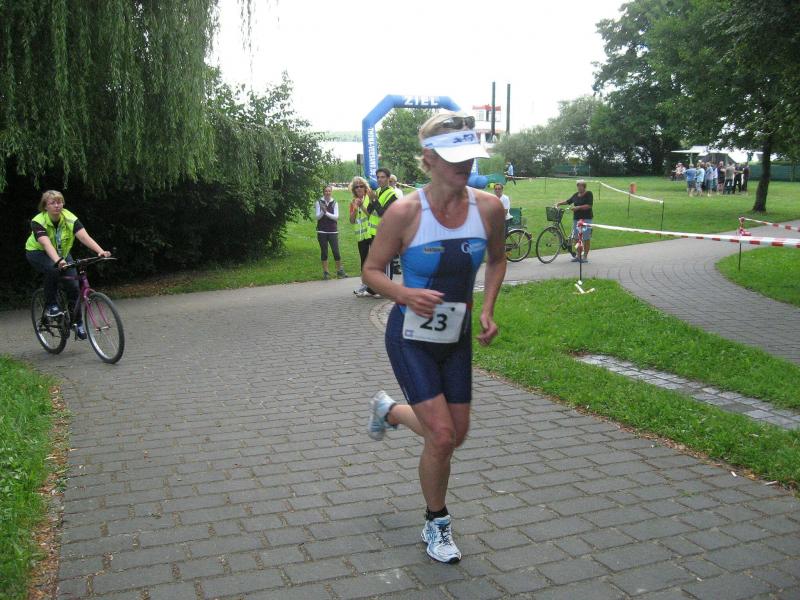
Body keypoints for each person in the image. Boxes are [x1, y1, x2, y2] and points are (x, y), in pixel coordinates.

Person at [363, 111, 506, 564]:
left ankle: (389, 411)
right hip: (411, 337)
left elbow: (498, 259)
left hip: (456, 335)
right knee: (441, 437)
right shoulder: (405, 213)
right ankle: (436, 523)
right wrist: (404, 293)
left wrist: (487, 308)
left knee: (455, 434)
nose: (466, 166)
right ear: (429, 159)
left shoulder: (489, 208)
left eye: (470, 157)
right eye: (454, 158)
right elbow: (371, 271)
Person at [25, 190, 111, 339]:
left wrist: (100, 251)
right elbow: (46, 244)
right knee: (52, 269)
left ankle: (77, 323)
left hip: (62, 254)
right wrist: (58, 261)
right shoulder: (38, 221)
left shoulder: (70, 218)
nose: (57, 205)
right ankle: (51, 305)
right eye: (53, 203)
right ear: (45, 206)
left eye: (60, 202)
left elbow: (84, 237)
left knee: (73, 286)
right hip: (38, 252)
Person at [555, 179, 593, 263]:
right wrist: (559, 203)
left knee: (586, 238)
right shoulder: (576, 195)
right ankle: (578, 255)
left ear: (584, 186)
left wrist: (578, 207)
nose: (579, 187)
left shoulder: (589, 194)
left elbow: (589, 205)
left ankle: (585, 256)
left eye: (580, 186)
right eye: (578, 186)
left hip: (586, 219)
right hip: (576, 219)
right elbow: (568, 201)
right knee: (576, 238)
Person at [349, 176, 375, 297]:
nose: (359, 188)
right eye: (356, 187)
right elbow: (351, 220)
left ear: (365, 187)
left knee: (373, 261)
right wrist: (355, 209)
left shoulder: (369, 198)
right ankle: (364, 285)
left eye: (361, 186)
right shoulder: (353, 201)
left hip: (371, 234)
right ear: (354, 189)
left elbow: (372, 216)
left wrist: (362, 206)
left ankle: (374, 286)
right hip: (360, 236)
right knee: (364, 261)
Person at [315, 185, 346, 280]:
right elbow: (317, 217)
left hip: (333, 231)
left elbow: (336, 217)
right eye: (326, 191)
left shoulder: (334, 202)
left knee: (336, 251)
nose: (327, 193)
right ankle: (326, 272)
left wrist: (326, 212)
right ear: (323, 192)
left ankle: (339, 271)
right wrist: (322, 212)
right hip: (322, 230)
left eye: (329, 191)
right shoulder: (319, 202)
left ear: (331, 192)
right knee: (324, 252)